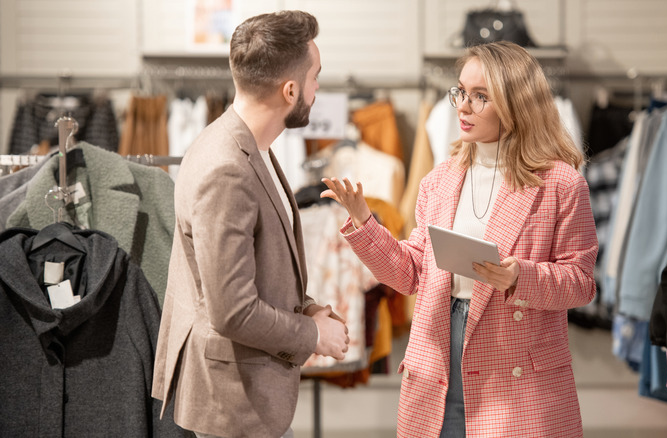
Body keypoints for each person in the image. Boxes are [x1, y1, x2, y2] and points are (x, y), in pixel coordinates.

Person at [322, 41, 598, 437]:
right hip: (438, 354)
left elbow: (581, 283)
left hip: (515, 368)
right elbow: (410, 273)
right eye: (461, 92)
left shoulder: (561, 184)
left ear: (516, 102)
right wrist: (365, 221)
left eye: (480, 96)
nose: (462, 107)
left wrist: (520, 277)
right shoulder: (439, 180)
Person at [152, 11, 349, 438]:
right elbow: (232, 309)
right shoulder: (227, 166)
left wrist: (307, 304)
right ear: (290, 89)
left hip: (246, 394)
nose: (317, 90)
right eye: (316, 78)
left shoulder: (246, 146)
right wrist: (313, 334)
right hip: (233, 404)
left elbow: (249, 268)